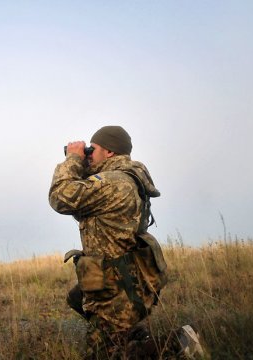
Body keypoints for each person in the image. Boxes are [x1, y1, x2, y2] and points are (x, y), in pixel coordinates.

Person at [49, 125, 173, 359]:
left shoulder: (115, 183)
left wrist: (73, 160)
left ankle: (176, 345)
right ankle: (134, 335)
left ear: (109, 152)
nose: (87, 154)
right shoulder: (124, 178)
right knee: (78, 297)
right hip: (122, 278)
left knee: (102, 354)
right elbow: (84, 205)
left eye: (91, 150)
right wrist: (84, 164)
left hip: (115, 289)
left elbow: (60, 197)